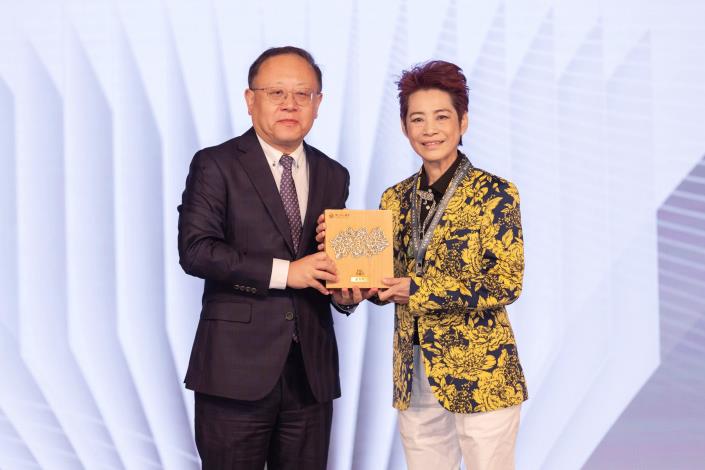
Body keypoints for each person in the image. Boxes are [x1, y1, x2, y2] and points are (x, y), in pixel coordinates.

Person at [318, 60, 527, 470]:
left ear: (463, 121)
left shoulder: (495, 194)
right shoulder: (394, 198)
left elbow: (506, 282)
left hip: (482, 373)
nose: (429, 129)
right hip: (413, 374)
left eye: (441, 117)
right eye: (417, 119)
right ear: (404, 127)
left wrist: (418, 290)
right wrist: (349, 292)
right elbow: (384, 279)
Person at [178, 46, 352, 470]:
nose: (290, 104)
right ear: (250, 99)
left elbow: (330, 262)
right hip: (234, 372)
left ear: (319, 104)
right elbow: (196, 250)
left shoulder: (334, 173)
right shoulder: (215, 164)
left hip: (311, 375)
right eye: (276, 92)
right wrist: (285, 273)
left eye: (303, 94)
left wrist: (346, 292)